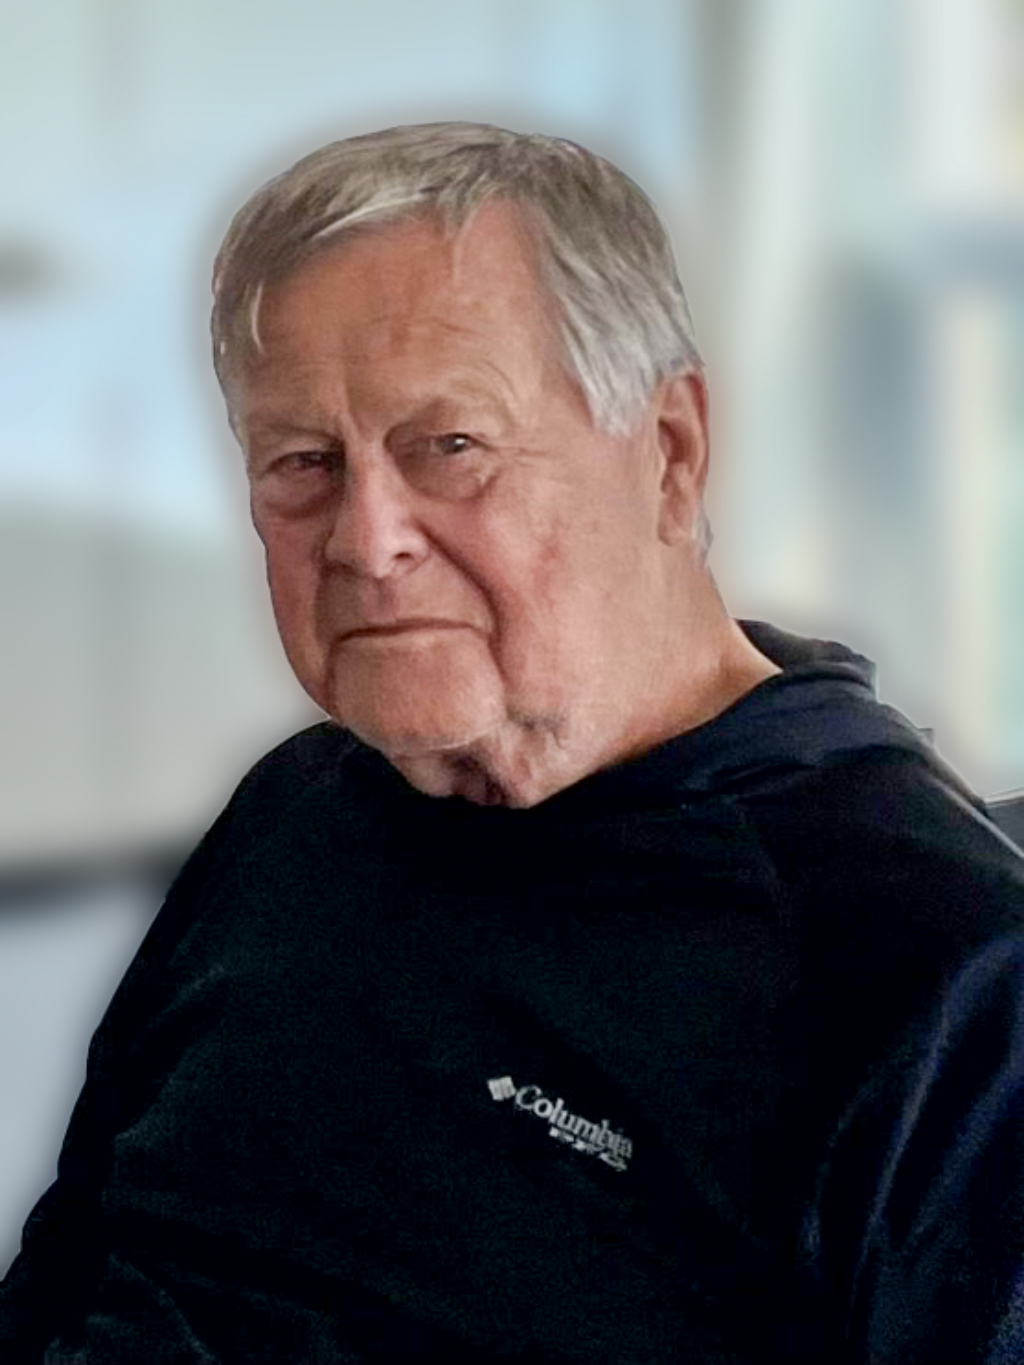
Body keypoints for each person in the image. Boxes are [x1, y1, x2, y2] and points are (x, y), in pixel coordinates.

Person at [2, 122, 1024, 1364]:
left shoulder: (934, 966)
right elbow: (68, 1260)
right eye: (303, 463)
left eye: (449, 448)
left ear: (670, 454)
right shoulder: (300, 805)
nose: (365, 539)